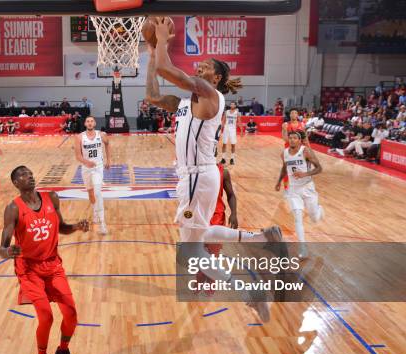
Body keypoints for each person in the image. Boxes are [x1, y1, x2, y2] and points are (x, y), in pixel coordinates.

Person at [145, 17, 286, 316]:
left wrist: (161, 42)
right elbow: (152, 95)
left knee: (190, 253)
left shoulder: (211, 94)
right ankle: (262, 237)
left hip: (198, 176)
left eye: (206, 66)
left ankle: (251, 292)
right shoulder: (187, 102)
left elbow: (166, 69)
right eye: (199, 65)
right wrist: (150, 53)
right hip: (198, 178)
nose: (199, 67)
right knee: (202, 235)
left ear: (218, 77)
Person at [0, 165, 89, 354]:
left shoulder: (52, 198)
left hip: (53, 266)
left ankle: (63, 352)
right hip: (29, 270)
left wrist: (76, 226)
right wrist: (8, 251)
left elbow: (62, 227)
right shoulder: (13, 208)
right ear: (15, 183)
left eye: (30, 173)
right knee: (46, 316)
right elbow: (2, 249)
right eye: (22, 175)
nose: (29, 176)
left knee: (71, 313)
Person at [276, 131, 324, 259]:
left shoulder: (305, 151)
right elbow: (284, 168)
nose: (292, 140)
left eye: (295, 138)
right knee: (297, 216)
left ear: (299, 140)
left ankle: (319, 211)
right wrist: (279, 182)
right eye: (290, 138)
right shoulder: (284, 153)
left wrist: (305, 174)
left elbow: (319, 168)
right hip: (294, 189)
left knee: (314, 218)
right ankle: (303, 248)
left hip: (308, 187)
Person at [74, 116, 111, 234]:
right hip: (86, 168)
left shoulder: (101, 134)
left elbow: (107, 144)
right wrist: (86, 162)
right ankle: (95, 211)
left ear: (95, 123)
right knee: (91, 193)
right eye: (87, 121)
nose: (90, 123)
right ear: (85, 123)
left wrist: (109, 160)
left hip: (98, 167)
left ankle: (102, 223)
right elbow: (78, 156)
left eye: (91, 121)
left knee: (97, 192)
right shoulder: (79, 137)